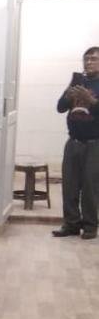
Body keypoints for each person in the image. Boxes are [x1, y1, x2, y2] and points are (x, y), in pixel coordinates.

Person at [53, 46, 99, 239]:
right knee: (69, 185)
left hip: (94, 143)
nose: (89, 62)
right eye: (86, 59)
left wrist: (92, 101)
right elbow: (60, 107)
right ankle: (71, 224)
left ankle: (90, 226)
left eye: (93, 59)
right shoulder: (77, 81)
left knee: (90, 187)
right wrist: (68, 96)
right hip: (73, 142)